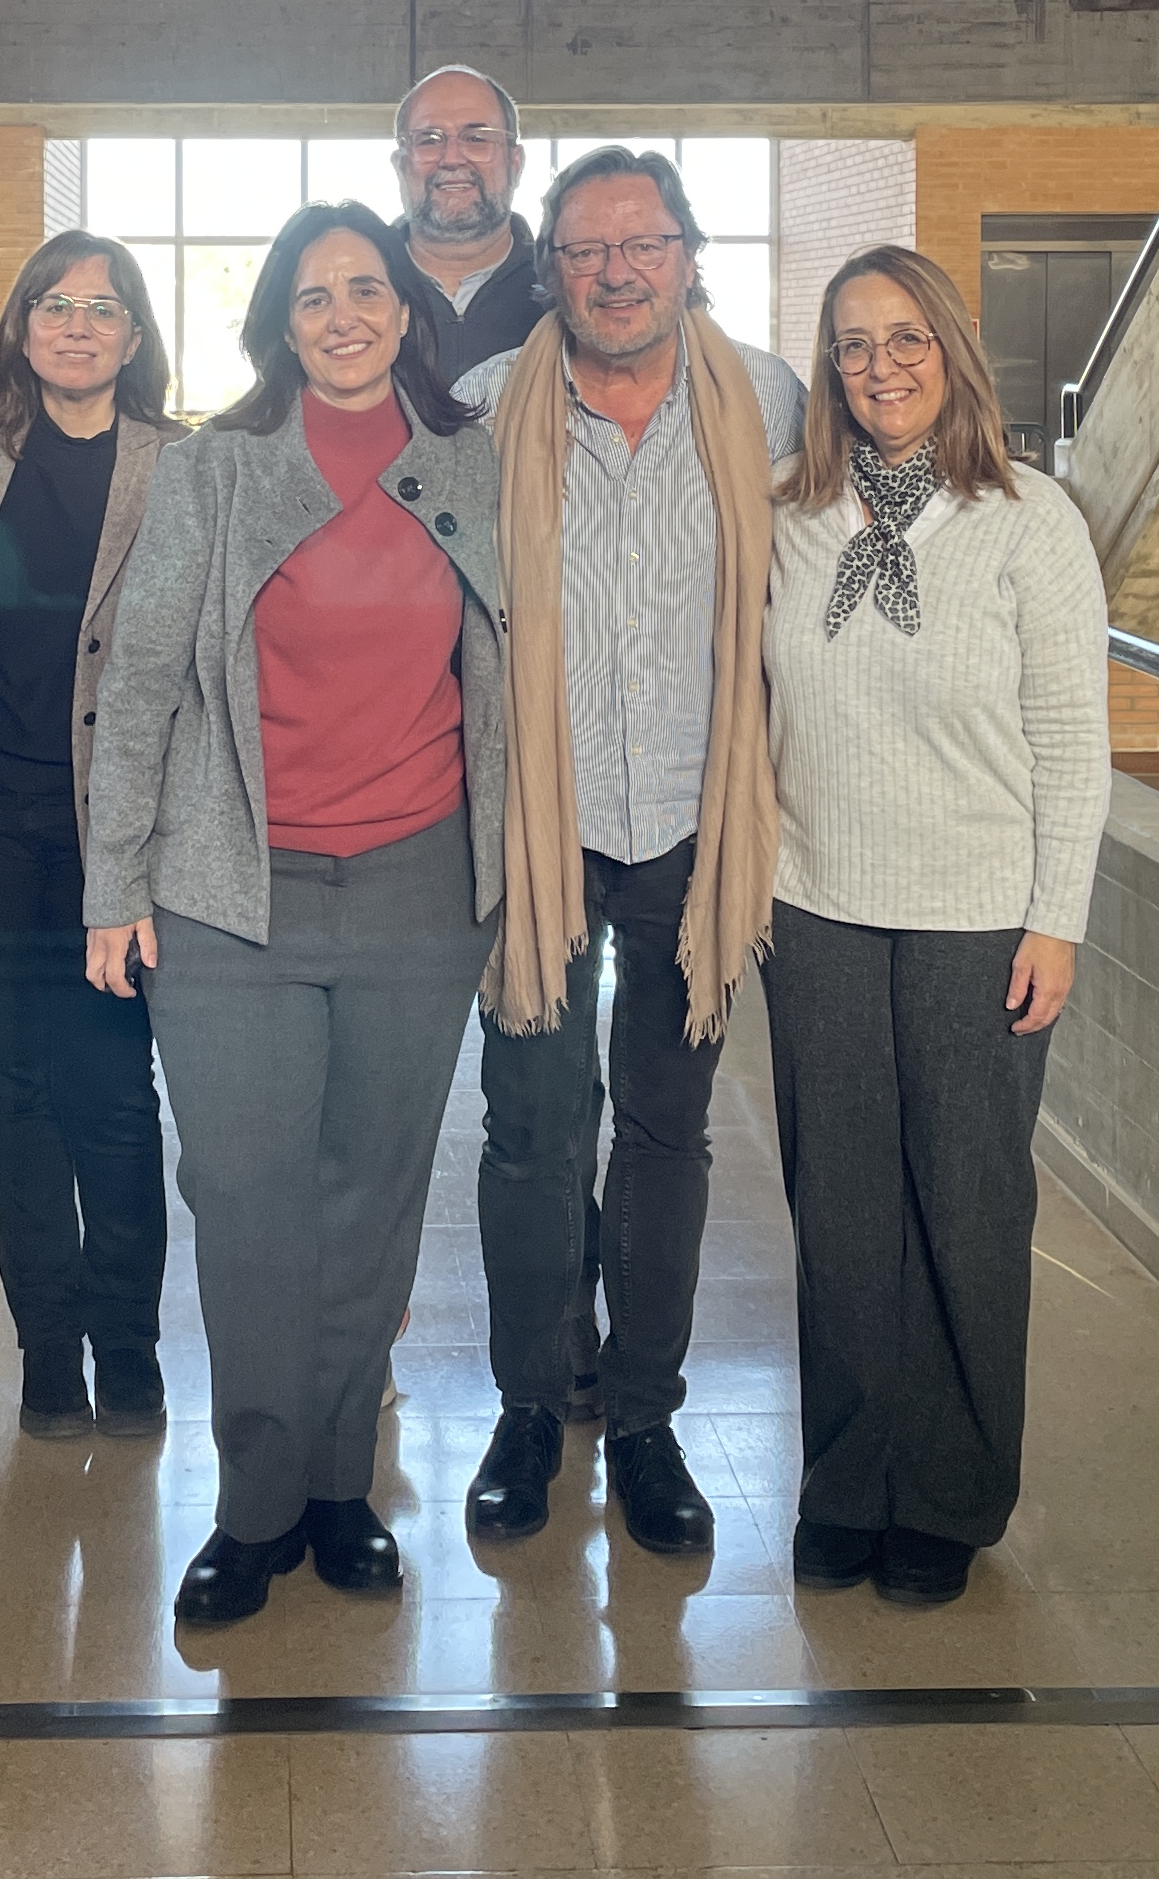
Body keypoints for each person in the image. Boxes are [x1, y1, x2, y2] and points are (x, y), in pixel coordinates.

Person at [85, 204, 505, 1627]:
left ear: (405, 310)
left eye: (366, 289)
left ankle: (342, 1486)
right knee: (251, 1201)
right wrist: (114, 883)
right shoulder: (215, 470)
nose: (342, 314)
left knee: (371, 1202)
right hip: (227, 896)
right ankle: (254, 1502)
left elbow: (517, 671)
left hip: (417, 888)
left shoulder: (472, 462)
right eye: (313, 294)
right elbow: (139, 681)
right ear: (279, 320)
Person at [451, 147, 803, 1559]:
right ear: (553, 269)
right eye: (587, 251)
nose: (614, 271)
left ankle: (646, 1414)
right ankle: (534, 1403)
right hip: (537, 819)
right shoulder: (484, 409)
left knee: (666, 1130)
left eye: (640, 244)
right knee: (533, 1129)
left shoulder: (769, 400)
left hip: (692, 823)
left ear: (687, 254)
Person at [763, 246, 1109, 1608]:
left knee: (966, 1211)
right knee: (841, 1218)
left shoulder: (1032, 524)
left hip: (982, 922)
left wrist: (1056, 920)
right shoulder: (796, 518)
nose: (880, 366)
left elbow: (1074, 746)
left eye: (904, 338)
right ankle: (849, 1482)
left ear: (950, 351)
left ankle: (952, 1495)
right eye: (852, 344)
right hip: (820, 908)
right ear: (831, 370)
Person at [0, 231, 183, 1439]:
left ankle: (128, 1342)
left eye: (103, 308)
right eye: (55, 306)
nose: (77, 326)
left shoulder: (181, 465)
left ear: (135, 335)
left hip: (117, 835)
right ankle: (45, 1351)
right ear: (17, 329)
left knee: (114, 1091)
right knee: (13, 1087)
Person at [390, 62, 548, 372]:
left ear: (515, 164)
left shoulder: (565, 288)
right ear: (400, 166)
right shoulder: (357, 287)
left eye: (476, 138)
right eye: (428, 140)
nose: (451, 158)